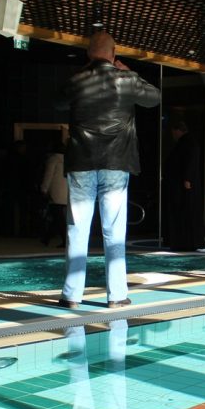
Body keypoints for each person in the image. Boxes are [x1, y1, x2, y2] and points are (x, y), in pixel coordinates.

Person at [58, 30, 160, 309]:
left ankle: (71, 295)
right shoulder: (126, 79)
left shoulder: (77, 80)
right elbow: (155, 97)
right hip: (116, 162)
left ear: (88, 54)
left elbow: (57, 101)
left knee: (77, 229)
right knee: (114, 230)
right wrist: (130, 73)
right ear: (114, 55)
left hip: (81, 162)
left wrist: (83, 72)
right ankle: (116, 295)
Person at [162, 120, 205, 251]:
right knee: (186, 212)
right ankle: (185, 241)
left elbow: (190, 162)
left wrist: (187, 178)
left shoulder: (187, 143)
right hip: (183, 183)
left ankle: (185, 241)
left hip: (183, 185)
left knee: (185, 212)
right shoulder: (188, 143)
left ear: (178, 131)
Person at [39, 140, 68, 247]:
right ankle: (47, 237)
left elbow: (48, 175)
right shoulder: (67, 160)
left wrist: (44, 188)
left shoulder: (53, 160)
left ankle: (62, 239)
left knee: (57, 216)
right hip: (66, 191)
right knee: (57, 215)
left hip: (55, 191)